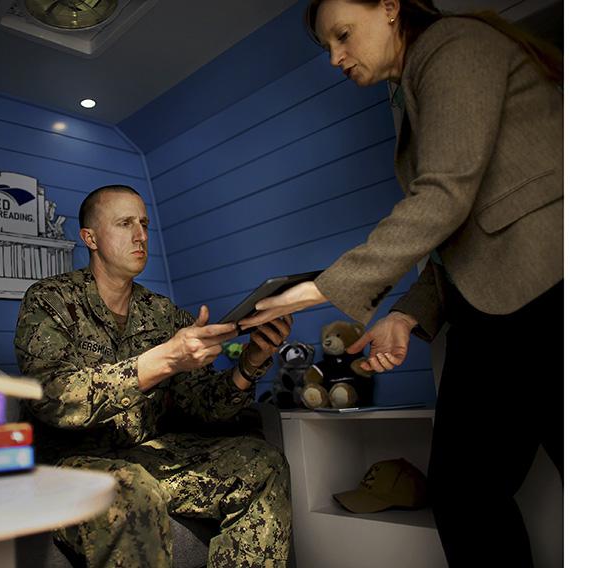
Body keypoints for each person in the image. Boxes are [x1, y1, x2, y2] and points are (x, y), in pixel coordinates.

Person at [238, 1, 562, 567]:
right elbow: (467, 233)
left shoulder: (452, 45)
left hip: (554, 287)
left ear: (389, 8)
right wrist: (406, 315)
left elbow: (443, 197)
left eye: (342, 36)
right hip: (491, 314)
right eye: (328, 47)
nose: (337, 58)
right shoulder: (419, 87)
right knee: (464, 492)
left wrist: (318, 290)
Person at [14, 184, 294, 568]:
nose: (141, 235)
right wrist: (162, 360)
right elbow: (52, 397)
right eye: (125, 223)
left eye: (144, 223)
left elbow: (206, 407)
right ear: (90, 238)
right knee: (131, 492)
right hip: (70, 466)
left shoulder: (163, 313)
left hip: (144, 456)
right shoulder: (50, 300)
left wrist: (250, 361)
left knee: (262, 463)